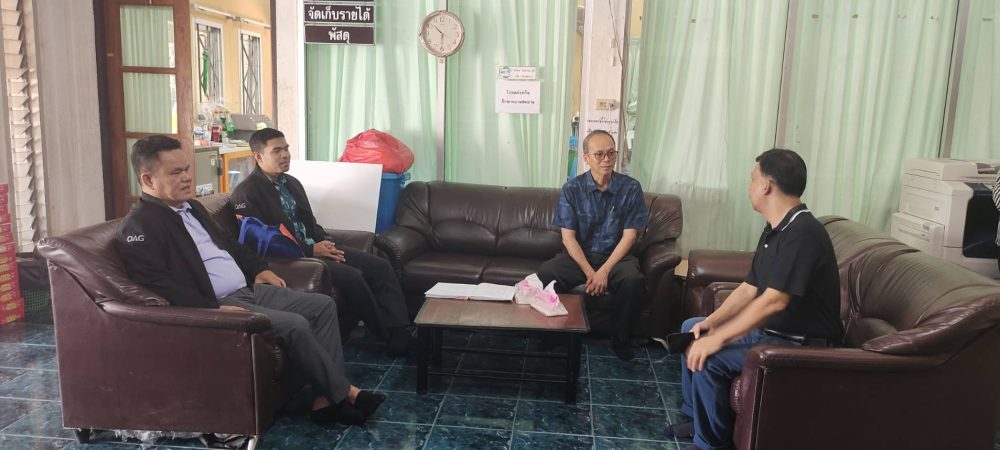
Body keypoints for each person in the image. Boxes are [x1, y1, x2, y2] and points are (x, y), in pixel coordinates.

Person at [115, 135, 384, 427]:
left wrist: (259, 268)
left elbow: (231, 244)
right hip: (219, 302)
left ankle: (325, 401)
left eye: (187, 169)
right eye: (176, 172)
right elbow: (155, 283)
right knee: (295, 324)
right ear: (148, 179)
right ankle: (347, 394)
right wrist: (212, 308)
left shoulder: (193, 208)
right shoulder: (140, 226)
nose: (187, 177)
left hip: (247, 289)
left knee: (322, 305)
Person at [667, 149, 843, 450]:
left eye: (752, 179)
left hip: (800, 342)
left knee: (711, 356)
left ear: (766, 186)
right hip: (774, 331)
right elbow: (749, 288)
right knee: (692, 328)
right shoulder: (775, 229)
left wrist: (718, 338)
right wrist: (711, 324)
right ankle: (697, 419)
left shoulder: (803, 233)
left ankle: (711, 444)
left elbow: (774, 301)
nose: (749, 187)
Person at [229, 128, 414, 355]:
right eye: (277, 151)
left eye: (286, 149)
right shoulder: (246, 193)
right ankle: (387, 337)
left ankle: (402, 331)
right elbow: (263, 241)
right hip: (291, 259)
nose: (285, 155)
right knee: (353, 276)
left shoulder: (291, 183)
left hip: (314, 248)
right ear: (258, 156)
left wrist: (326, 242)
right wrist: (311, 250)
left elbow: (310, 222)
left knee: (380, 265)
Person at [538, 130, 649, 361]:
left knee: (632, 280)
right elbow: (568, 238)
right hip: (581, 256)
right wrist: (591, 273)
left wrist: (604, 271)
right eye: (599, 154)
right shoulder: (572, 189)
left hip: (617, 257)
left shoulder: (631, 188)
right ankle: (554, 335)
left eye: (611, 153)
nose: (606, 159)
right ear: (586, 158)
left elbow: (629, 236)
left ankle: (621, 340)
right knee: (546, 274)